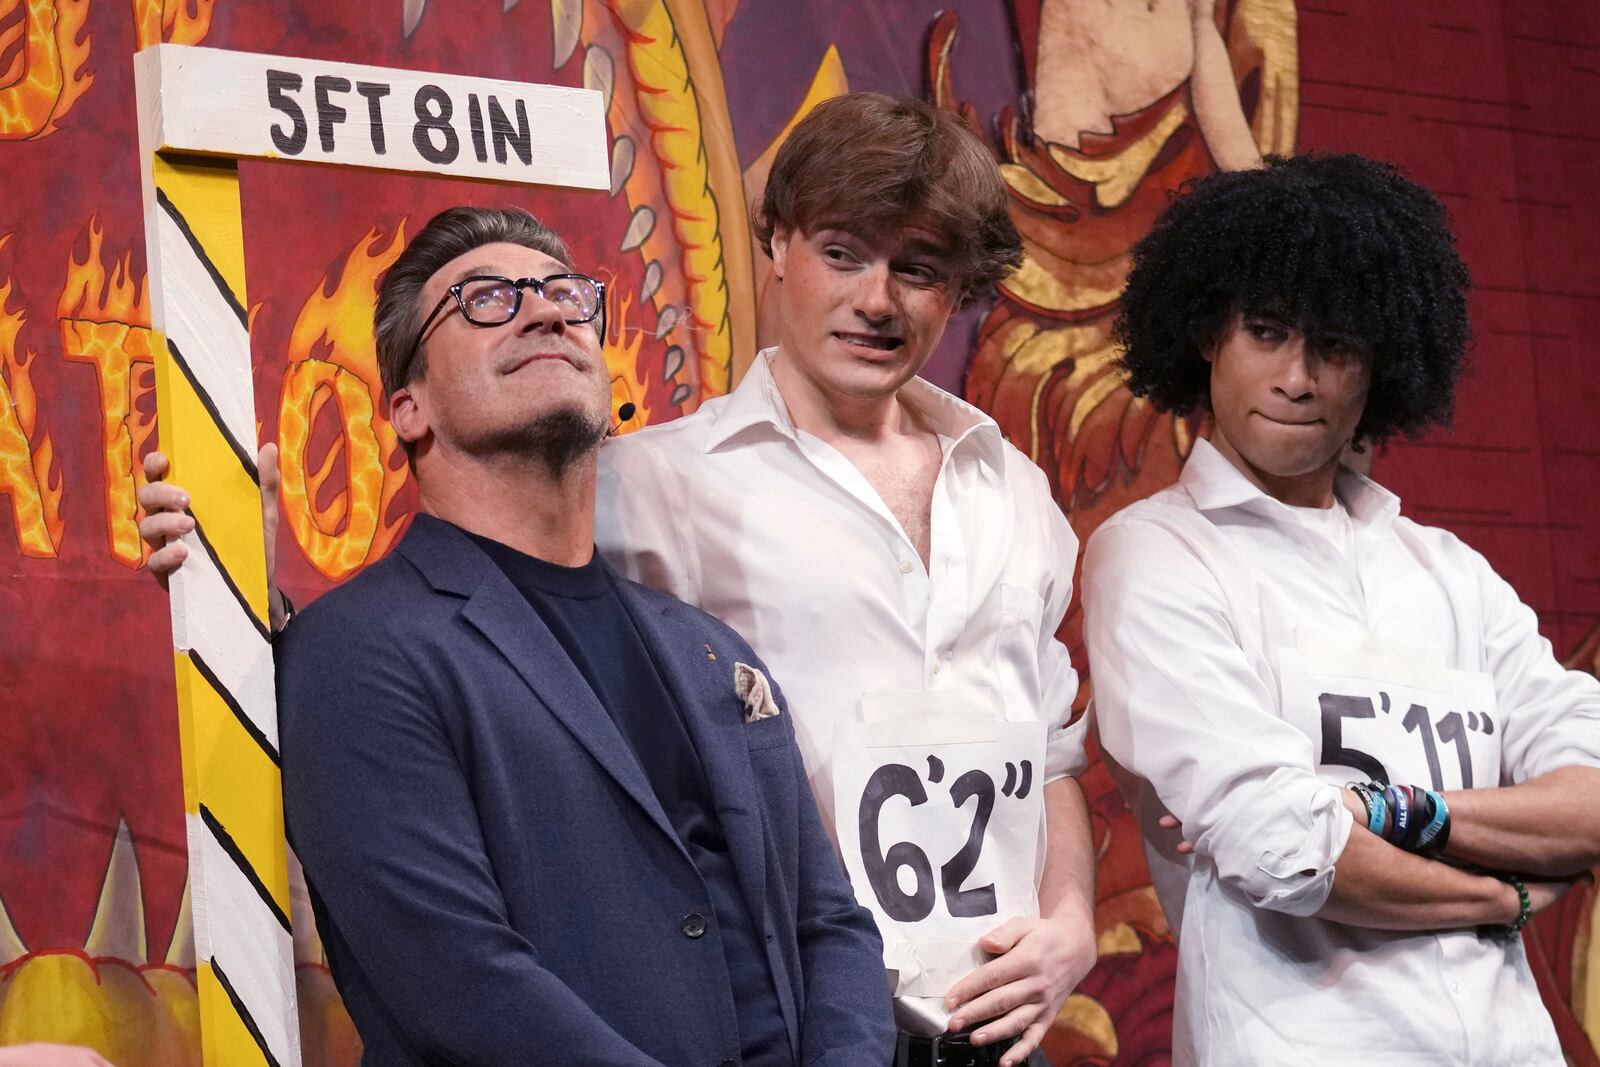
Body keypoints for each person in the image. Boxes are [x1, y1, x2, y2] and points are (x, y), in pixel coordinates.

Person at [143, 207, 893, 1065]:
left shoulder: (709, 649)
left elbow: (828, 924)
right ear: (407, 407)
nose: (545, 312)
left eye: (566, 295)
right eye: (486, 300)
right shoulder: (355, 653)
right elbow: (461, 983)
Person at [596, 92, 1096, 1067]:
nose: (877, 299)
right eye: (842, 252)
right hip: (787, 1015)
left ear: (957, 288)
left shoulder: (1013, 486)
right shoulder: (655, 483)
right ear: (775, 244)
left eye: (916, 268)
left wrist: (1071, 917)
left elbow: (1052, 748)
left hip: (997, 1018)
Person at [1082, 153, 1600, 1066]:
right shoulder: (1155, 553)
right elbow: (1284, 848)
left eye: (1336, 345)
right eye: (1269, 332)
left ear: (1380, 364)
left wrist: (1385, 809)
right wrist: (1502, 892)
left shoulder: (1450, 573)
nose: (1298, 377)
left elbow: (1593, 794)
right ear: (1208, 335)